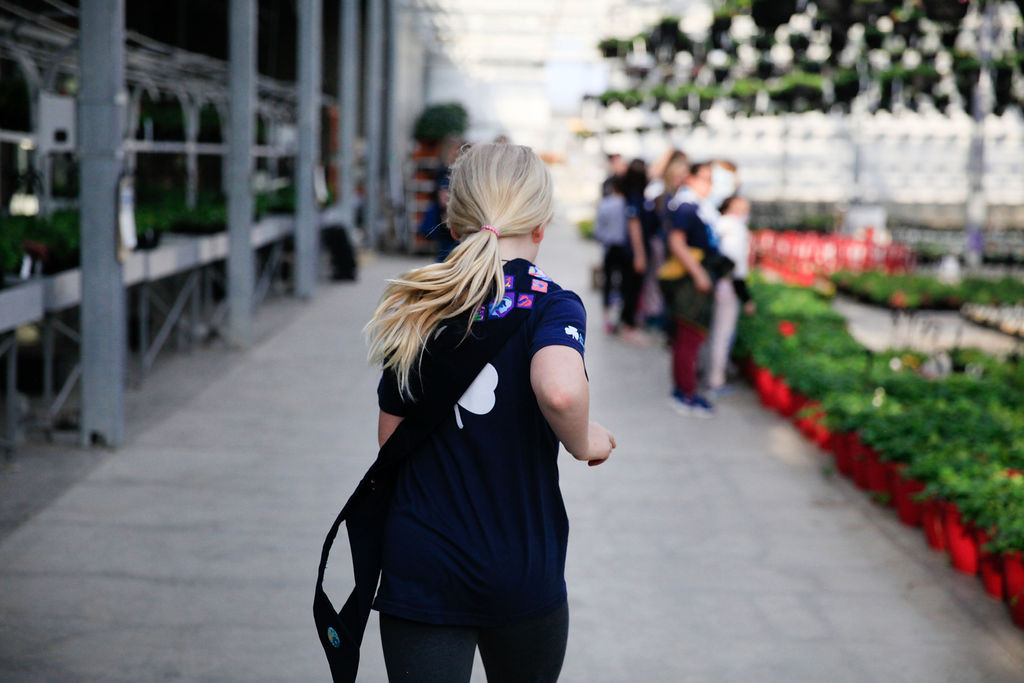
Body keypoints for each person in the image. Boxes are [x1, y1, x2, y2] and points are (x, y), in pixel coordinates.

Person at [365, 143, 615, 683]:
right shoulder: (551, 304)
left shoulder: (419, 304)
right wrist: (584, 441)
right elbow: (561, 393)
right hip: (520, 561)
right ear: (542, 225)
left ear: (454, 225)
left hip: (423, 561)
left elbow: (391, 442)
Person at [662, 162, 729, 418]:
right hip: (691, 280)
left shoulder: (697, 206)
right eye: (704, 179)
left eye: (711, 180)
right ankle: (684, 393)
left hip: (698, 276)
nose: (708, 185)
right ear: (690, 178)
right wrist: (699, 274)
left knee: (691, 338)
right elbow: (676, 242)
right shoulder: (687, 207)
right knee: (688, 337)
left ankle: (687, 390)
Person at [707, 195, 755, 397]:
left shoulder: (718, 224)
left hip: (716, 284)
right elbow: (735, 266)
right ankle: (716, 380)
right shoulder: (735, 228)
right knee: (722, 335)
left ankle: (711, 373)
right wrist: (746, 297)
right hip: (728, 286)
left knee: (713, 333)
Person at [594, 175, 633, 334]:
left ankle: (607, 319)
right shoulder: (627, 204)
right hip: (624, 248)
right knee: (623, 284)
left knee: (608, 283)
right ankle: (619, 318)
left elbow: (598, 230)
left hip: (610, 247)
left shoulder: (606, 204)